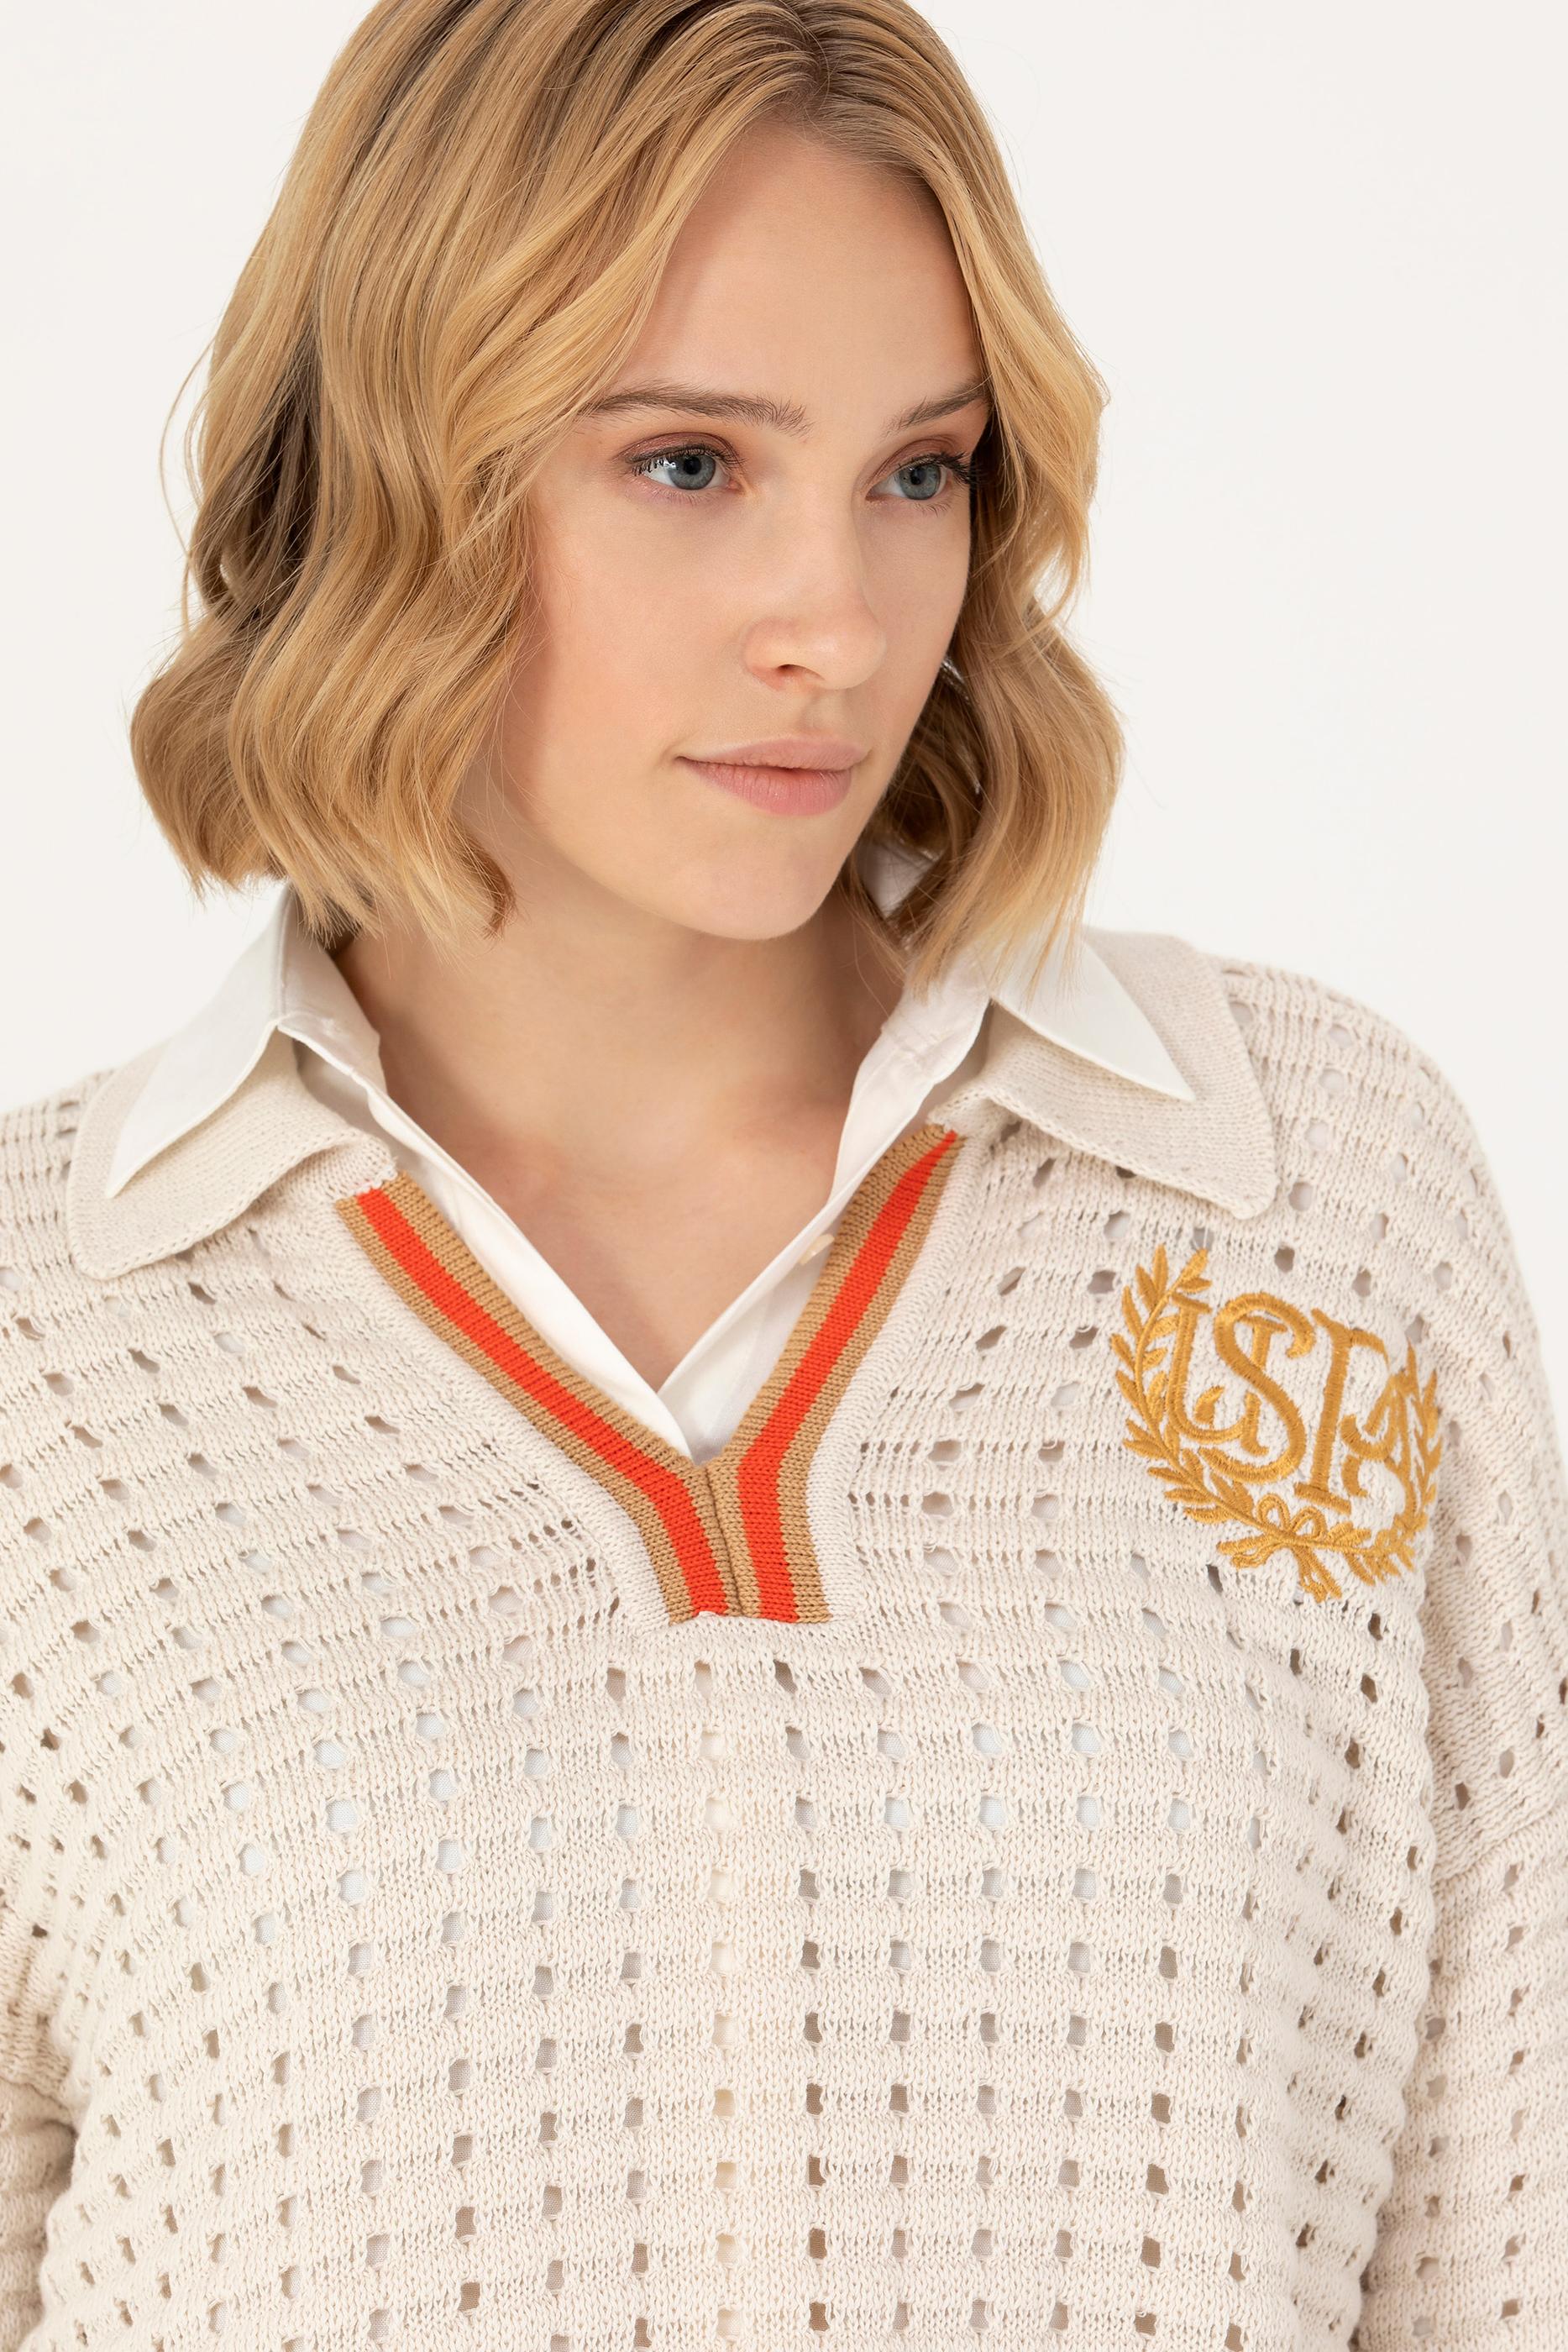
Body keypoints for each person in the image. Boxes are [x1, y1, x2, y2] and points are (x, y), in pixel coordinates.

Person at [3, 2, 1563, 2344]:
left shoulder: (1307, 1186)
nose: (834, 623)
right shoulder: (50, 1340)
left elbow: (1510, 2235)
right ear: (392, 475)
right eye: (687, 463)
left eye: (918, 474)